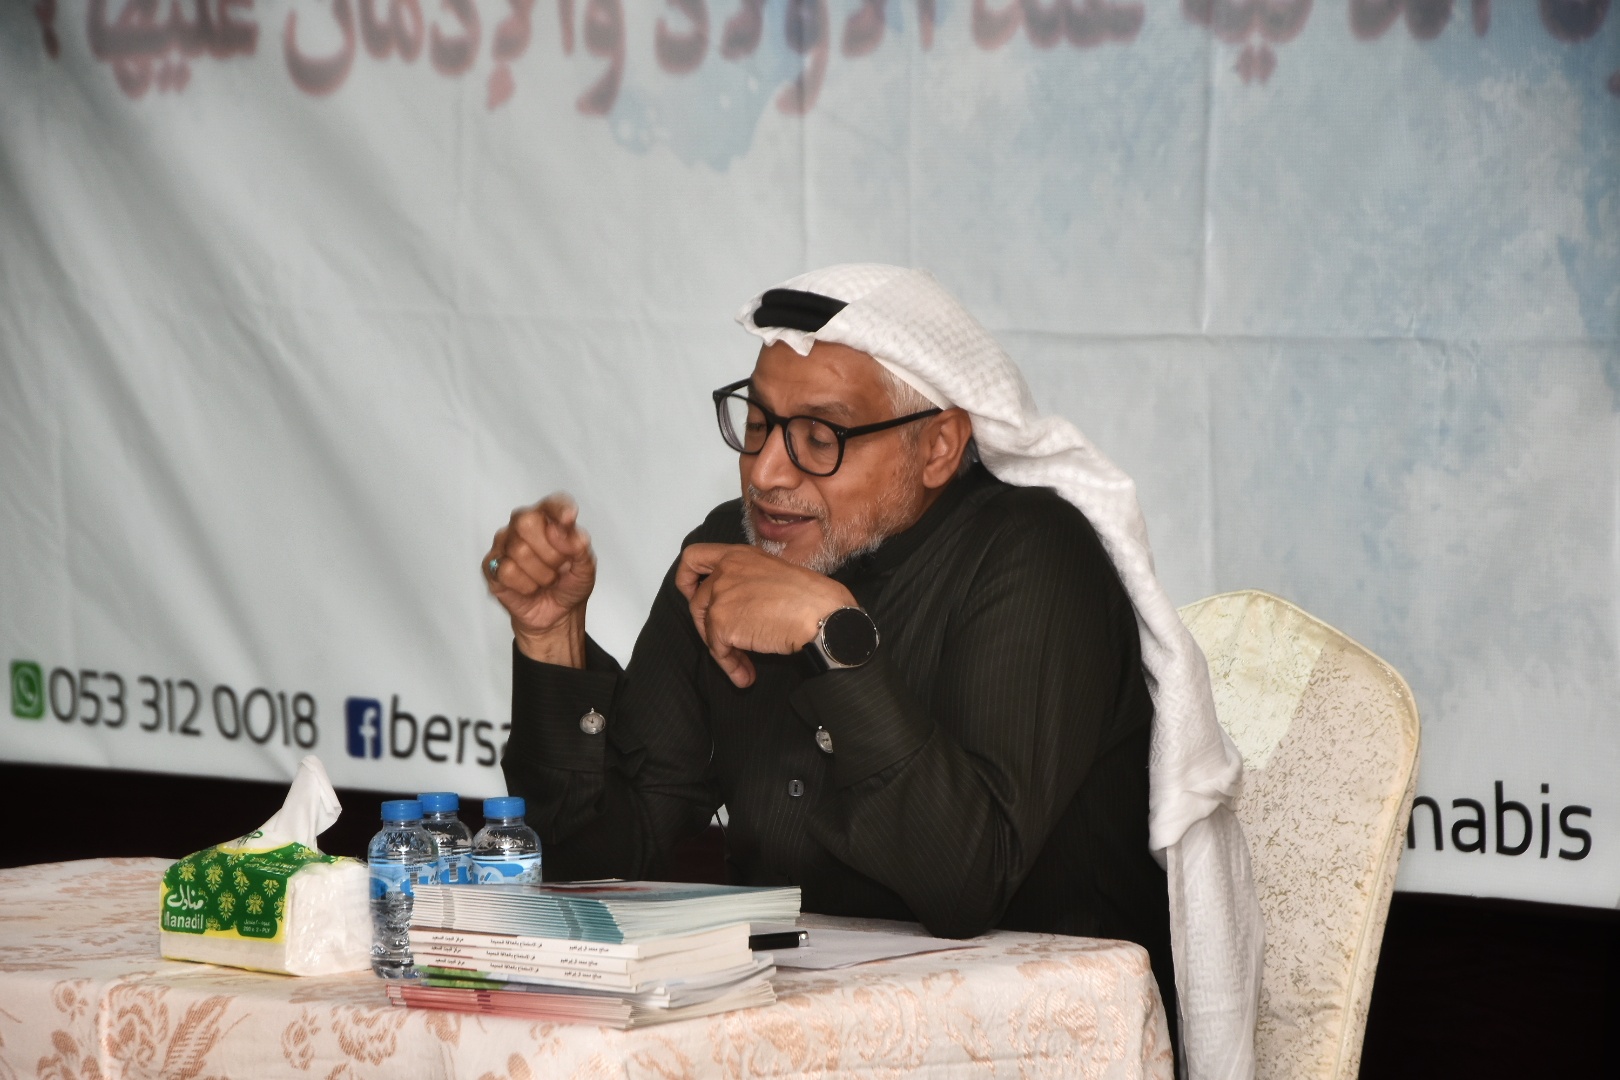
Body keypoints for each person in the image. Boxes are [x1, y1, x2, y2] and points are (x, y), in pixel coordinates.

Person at [487, 265, 1262, 1079]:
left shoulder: (1034, 556)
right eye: (759, 424)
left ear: (938, 447)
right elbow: (596, 868)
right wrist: (552, 640)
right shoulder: (729, 555)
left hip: (1026, 1048)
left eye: (820, 438)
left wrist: (831, 636)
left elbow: (964, 884)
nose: (767, 472)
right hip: (787, 1041)